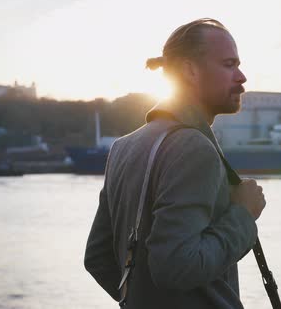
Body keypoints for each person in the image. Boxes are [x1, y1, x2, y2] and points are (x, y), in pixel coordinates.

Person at [84, 18, 266, 308]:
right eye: (229, 64)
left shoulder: (123, 147)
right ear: (190, 70)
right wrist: (243, 215)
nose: (242, 76)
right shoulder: (194, 148)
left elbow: (98, 258)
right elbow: (176, 268)